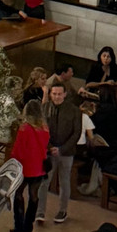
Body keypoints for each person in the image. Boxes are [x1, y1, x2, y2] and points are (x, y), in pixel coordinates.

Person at [36, 83, 82, 224]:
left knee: (64, 182)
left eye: (59, 94)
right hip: (48, 151)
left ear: (65, 94)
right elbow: (40, 129)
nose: (56, 96)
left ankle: (62, 211)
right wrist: (50, 147)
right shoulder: (44, 108)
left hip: (66, 152)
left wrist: (61, 149)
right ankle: (40, 212)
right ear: (50, 94)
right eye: (54, 94)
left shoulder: (74, 111)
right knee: (44, 182)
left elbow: (76, 133)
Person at [9, 99, 50, 232]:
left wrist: (12, 162)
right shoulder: (44, 128)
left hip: (25, 167)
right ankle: (28, 227)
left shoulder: (24, 128)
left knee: (18, 194)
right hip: (39, 167)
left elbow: (18, 151)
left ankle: (18, 226)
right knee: (34, 196)